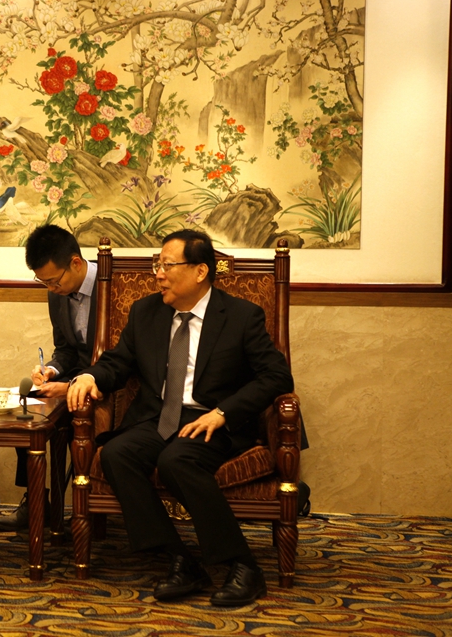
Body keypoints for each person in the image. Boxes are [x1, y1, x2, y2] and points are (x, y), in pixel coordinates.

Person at [67, 229, 294, 606]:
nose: (158, 274)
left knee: (176, 460)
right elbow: (118, 363)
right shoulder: (146, 312)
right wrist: (91, 376)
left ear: (200, 271)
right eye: (157, 265)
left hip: (212, 422)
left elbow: (276, 376)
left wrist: (223, 413)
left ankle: (243, 565)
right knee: (116, 454)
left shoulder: (241, 316)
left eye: (167, 265)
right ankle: (180, 560)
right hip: (158, 419)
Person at [0, 225, 96, 531]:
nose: (50, 288)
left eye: (53, 280)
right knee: (26, 411)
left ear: (75, 263)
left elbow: (122, 356)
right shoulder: (58, 295)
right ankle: (37, 499)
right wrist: (50, 370)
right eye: (43, 282)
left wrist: (72, 386)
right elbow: (65, 350)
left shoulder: (113, 286)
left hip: (108, 383)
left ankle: (83, 508)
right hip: (73, 379)